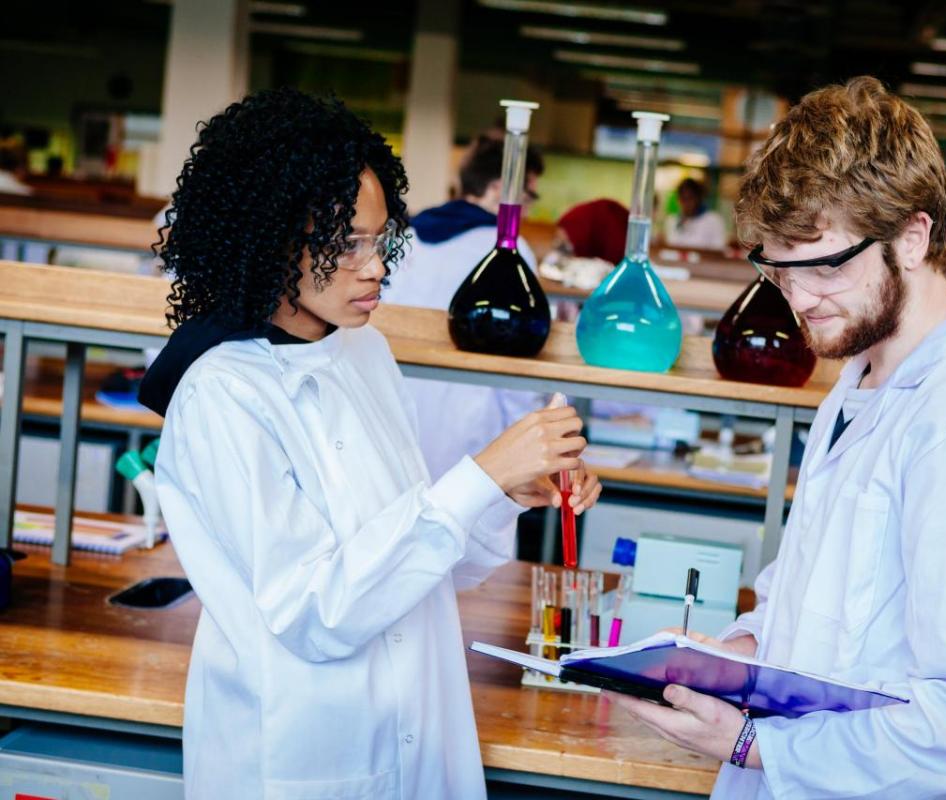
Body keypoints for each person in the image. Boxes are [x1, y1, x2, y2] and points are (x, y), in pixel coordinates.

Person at [607, 76, 946, 799]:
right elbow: (819, 592)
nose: (798, 299)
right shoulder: (861, 376)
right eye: (777, 267)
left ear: (914, 237)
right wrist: (739, 651)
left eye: (825, 264)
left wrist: (754, 743)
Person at [138, 88, 600, 798]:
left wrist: (505, 496)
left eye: (380, 240)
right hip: (301, 755)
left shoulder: (364, 352)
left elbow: (416, 570)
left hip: (413, 729)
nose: (375, 266)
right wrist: (475, 478)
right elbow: (315, 612)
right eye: (343, 242)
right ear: (269, 236)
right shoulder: (221, 395)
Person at [381, 138, 546, 480]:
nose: (528, 209)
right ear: (501, 188)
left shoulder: (406, 235)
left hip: (392, 412)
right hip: (468, 423)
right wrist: (527, 432)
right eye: (529, 197)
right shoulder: (508, 252)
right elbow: (518, 352)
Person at [664, 177, 727, 250]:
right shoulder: (672, 220)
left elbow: (718, 250)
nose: (686, 203)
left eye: (690, 198)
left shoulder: (714, 221)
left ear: (698, 198)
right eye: (683, 198)